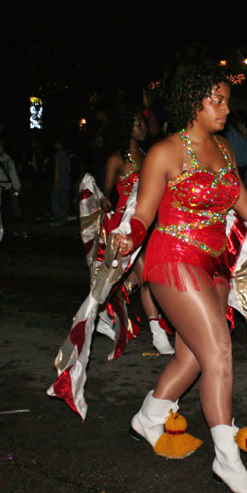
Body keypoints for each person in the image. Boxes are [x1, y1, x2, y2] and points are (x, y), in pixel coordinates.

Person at [111, 65, 247, 493]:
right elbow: (143, 216)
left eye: (226, 99)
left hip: (214, 262)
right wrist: (124, 237)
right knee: (220, 351)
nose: (226, 108)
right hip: (172, 258)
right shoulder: (164, 153)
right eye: (218, 100)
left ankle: (149, 418)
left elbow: (245, 205)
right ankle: (227, 459)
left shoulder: (224, 148)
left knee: (193, 359)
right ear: (193, 103)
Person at [99, 107, 174, 355]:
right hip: (126, 226)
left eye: (143, 123)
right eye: (137, 123)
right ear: (125, 129)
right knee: (146, 277)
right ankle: (158, 334)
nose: (142, 127)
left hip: (149, 224)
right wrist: (104, 203)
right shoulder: (117, 160)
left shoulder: (148, 155)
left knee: (139, 277)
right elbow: (105, 194)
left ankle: (102, 312)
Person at [51, 139, 71, 225]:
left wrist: (56, 180)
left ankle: (59, 218)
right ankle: (63, 218)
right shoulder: (66, 154)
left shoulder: (58, 154)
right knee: (64, 199)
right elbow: (69, 168)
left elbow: (57, 167)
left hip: (60, 179)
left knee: (55, 199)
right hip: (66, 179)